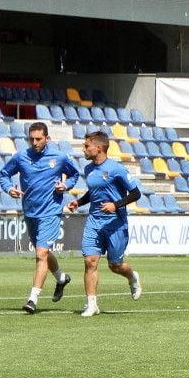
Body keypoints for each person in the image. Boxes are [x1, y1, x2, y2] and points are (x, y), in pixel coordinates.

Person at [0, 122, 79, 313]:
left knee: (40, 254)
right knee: (42, 251)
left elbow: (74, 174)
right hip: (30, 212)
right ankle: (61, 278)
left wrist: (66, 186)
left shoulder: (59, 157)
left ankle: (32, 299)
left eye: (38, 139)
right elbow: (4, 174)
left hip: (51, 211)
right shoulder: (21, 157)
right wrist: (9, 188)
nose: (34, 142)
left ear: (47, 139)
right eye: (32, 139)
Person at [65, 131, 143, 317]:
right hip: (94, 221)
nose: (84, 149)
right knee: (90, 261)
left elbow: (135, 194)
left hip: (115, 224)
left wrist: (115, 205)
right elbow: (94, 192)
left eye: (87, 146)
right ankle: (91, 304)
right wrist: (79, 202)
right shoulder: (88, 169)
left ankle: (132, 277)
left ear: (98, 148)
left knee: (115, 265)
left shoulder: (117, 169)